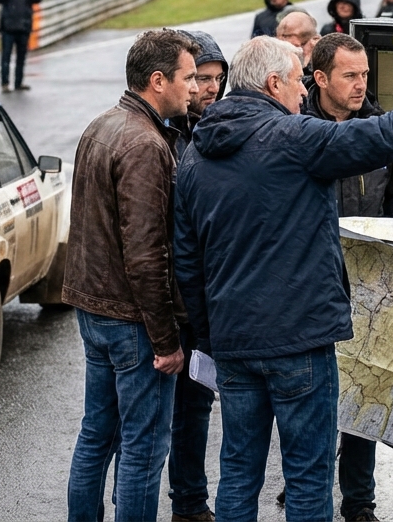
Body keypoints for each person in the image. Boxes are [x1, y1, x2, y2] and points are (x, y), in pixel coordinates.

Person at [174, 36, 393, 521]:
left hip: (233, 341)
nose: (299, 95)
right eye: (296, 82)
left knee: (238, 474)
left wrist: (211, 338)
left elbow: (188, 260)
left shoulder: (195, 154)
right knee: (308, 478)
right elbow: (387, 134)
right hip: (299, 337)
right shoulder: (295, 137)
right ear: (274, 83)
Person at [64, 30, 200, 521]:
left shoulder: (102, 124)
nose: (194, 88)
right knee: (143, 447)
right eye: (187, 78)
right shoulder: (146, 144)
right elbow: (146, 255)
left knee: (96, 435)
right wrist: (166, 341)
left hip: (93, 307)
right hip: (132, 321)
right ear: (157, 80)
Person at [300, 34, 393, 522]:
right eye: (350, 76)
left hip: (374, 284)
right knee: (313, 400)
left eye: (365, 76)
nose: (360, 85)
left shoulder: (383, 129)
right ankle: (305, 491)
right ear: (320, 78)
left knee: (363, 395)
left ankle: (360, 504)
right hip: (316, 282)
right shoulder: (296, 129)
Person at [167, 30, 227, 522]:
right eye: (200, 78)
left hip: (206, 296)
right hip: (172, 299)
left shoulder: (218, 130)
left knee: (197, 408)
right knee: (163, 415)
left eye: (217, 79)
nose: (209, 88)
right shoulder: (168, 135)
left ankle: (191, 501)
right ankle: (174, 502)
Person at [0, 0, 40, 93]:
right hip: (8, 28)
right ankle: (5, 83)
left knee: (21, 57)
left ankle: (18, 82)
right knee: (6, 57)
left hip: (23, 28)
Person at [275, 11, 319, 79]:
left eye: (286, 35)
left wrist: (306, 68)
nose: (280, 40)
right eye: (278, 35)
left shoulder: (324, 61)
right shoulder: (276, 60)